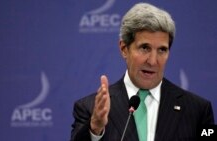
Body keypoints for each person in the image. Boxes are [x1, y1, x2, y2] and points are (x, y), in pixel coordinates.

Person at [71, 2, 214, 141]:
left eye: (162, 50)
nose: (152, 61)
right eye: (145, 48)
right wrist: (95, 128)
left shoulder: (198, 110)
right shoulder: (89, 109)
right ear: (124, 49)